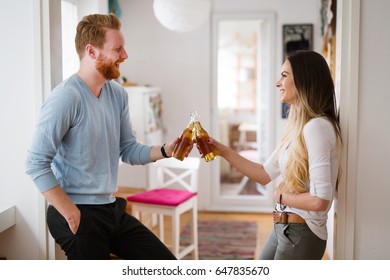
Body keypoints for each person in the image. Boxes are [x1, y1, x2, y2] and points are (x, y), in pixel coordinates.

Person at [25, 14, 181, 260]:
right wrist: (70, 212)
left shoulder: (118, 95)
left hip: (110, 209)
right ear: (92, 51)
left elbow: (128, 149)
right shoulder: (66, 97)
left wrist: (166, 150)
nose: (125, 55)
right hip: (76, 211)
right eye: (117, 49)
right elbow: (35, 163)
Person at [203, 50, 342, 260]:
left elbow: (320, 201)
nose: (278, 83)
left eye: (284, 75)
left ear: (304, 80)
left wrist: (280, 196)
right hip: (282, 227)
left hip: (301, 234)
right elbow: (264, 173)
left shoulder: (317, 128)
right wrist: (222, 150)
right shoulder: (298, 128)